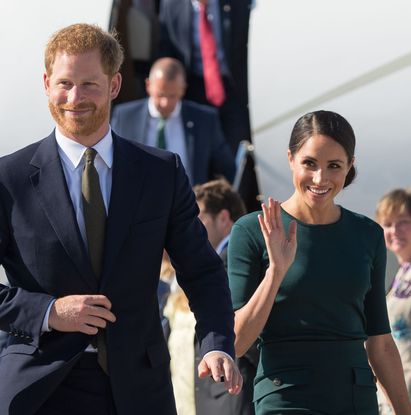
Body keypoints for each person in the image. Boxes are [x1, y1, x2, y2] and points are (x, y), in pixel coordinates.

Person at [0, 23, 242, 415]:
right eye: (64, 83)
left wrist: (215, 343)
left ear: (114, 86)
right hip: (39, 389)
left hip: (138, 390)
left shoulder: (161, 172)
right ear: (46, 83)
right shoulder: (8, 180)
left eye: (89, 85)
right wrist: (49, 312)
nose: (74, 98)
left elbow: (202, 270)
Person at [227, 110, 411, 414]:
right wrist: (276, 272)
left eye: (334, 166)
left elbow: (379, 342)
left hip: (355, 399)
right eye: (310, 163)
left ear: (350, 166)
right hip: (285, 400)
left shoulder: (367, 234)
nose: (320, 178)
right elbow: (235, 341)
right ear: (291, 158)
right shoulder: (253, 231)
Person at [158, 0, 260, 212]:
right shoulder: (172, 6)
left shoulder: (237, 4)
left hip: (233, 90)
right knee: (201, 155)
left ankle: (235, 214)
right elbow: (167, 51)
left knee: (236, 156)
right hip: (195, 88)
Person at [165, 179, 255, 415]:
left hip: (229, 400)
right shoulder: (188, 271)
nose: (188, 226)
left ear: (223, 218)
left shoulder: (233, 265)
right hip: (195, 401)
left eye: (198, 217)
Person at [111, 57, 235, 186]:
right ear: (148, 86)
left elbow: (227, 169)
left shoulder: (204, 120)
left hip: (188, 202)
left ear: (183, 89)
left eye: (172, 96)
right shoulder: (125, 117)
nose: (165, 103)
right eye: (160, 95)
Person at [376, 188, 411, 413]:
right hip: (395, 400)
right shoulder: (402, 274)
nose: (394, 230)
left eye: (403, 222)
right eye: (387, 224)